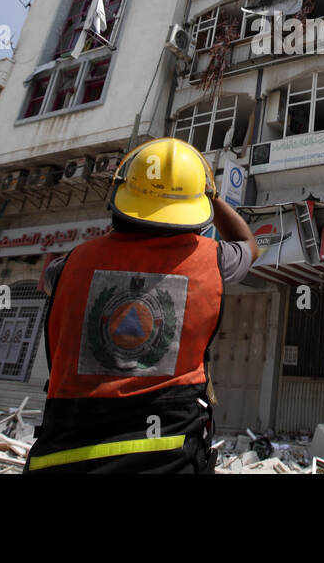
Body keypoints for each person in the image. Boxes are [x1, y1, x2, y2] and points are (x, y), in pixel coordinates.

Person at [25, 137, 260, 474]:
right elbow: (247, 245)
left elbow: (46, 283)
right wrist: (214, 197)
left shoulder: (66, 266)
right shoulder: (214, 261)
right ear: (197, 208)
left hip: (65, 448)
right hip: (169, 450)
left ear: (121, 195)